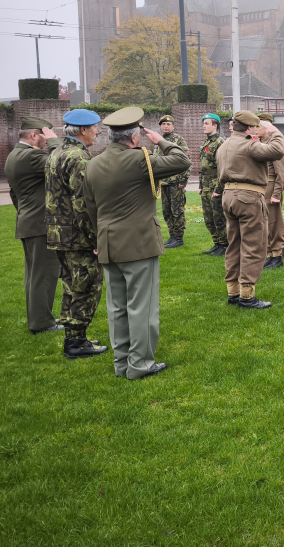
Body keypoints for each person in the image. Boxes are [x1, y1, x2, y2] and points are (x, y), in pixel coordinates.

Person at [84, 107, 191, 380]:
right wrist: (160, 141)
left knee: (117, 308)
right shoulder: (139, 160)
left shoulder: (93, 163)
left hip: (108, 243)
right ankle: (140, 364)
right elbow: (181, 160)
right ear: (134, 138)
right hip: (139, 244)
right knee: (141, 307)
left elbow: (90, 207)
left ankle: (122, 364)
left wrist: (98, 237)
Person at [46, 108, 108, 360]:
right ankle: (77, 342)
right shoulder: (79, 158)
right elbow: (83, 203)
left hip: (59, 233)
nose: (98, 131)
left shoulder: (57, 152)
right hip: (77, 236)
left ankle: (74, 336)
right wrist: (95, 238)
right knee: (87, 286)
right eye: (95, 127)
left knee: (71, 286)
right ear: (83, 130)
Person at [217, 110, 284, 309]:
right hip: (248, 198)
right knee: (253, 246)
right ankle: (247, 296)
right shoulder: (249, 145)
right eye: (256, 126)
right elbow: (277, 151)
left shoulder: (224, 146)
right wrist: (275, 132)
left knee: (234, 245)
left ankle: (233, 292)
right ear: (249, 128)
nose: (258, 129)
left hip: (228, 196)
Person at [4, 116, 63, 334]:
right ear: (34, 135)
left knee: (34, 274)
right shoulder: (32, 155)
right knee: (45, 273)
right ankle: (42, 323)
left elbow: (14, 194)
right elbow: (62, 162)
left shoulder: (14, 155)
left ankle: (41, 317)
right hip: (41, 223)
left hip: (28, 220)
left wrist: (24, 213)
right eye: (44, 134)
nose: (45, 139)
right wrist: (54, 142)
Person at [154, 114, 190, 249]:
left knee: (177, 210)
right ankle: (172, 235)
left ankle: (179, 237)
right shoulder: (158, 141)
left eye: (168, 124)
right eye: (163, 124)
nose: (166, 126)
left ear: (173, 126)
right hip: (163, 183)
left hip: (176, 182)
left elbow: (186, 159)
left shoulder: (178, 140)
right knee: (166, 211)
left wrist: (183, 180)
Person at [258, 112, 284, 269]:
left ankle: (277, 256)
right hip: (264, 189)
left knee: (275, 223)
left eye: (258, 127)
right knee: (267, 223)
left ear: (266, 128)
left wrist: (276, 194)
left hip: (271, 189)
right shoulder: (265, 142)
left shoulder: (275, 144)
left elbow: (281, 172)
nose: (256, 130)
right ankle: (271, 253)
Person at [198, 113, 228, 255]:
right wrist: (200, 185)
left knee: (219, 217)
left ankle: (224, 244)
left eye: (206, 123)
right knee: (208, 217)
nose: (203, 126)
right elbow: (203, 168)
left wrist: (218, 189)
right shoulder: (206, 143)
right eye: (203, 123)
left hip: (215, 185)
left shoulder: (220, 142)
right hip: (206, 185)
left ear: (215, 125)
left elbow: (223, 167)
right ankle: (216, 243)